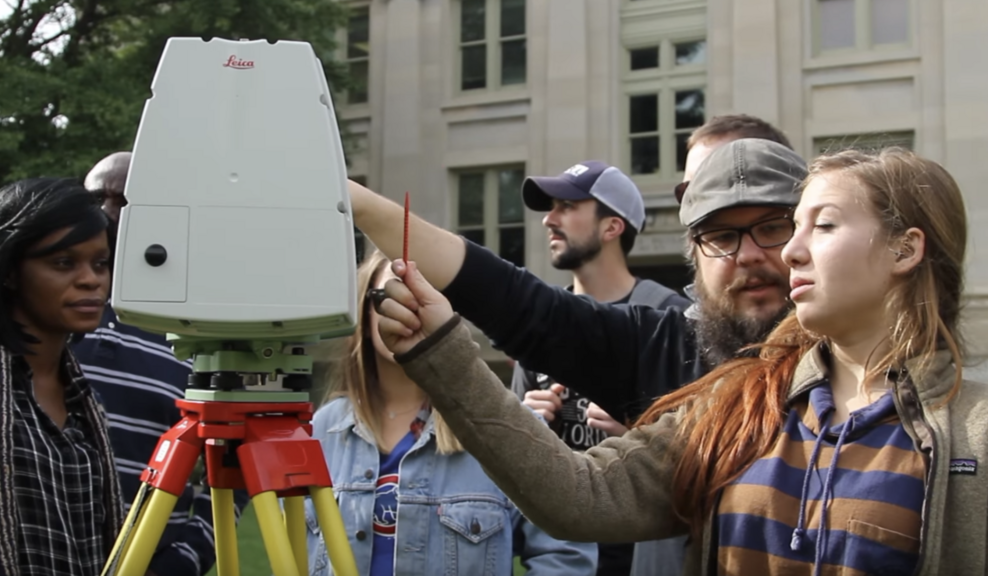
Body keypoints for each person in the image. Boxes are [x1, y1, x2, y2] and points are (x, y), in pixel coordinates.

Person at [377, 147, 986, 575]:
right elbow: (577, 494)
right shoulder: (740, 400)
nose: (786, 253)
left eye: (812, 226)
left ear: (906, 249)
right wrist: (442, 344)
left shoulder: (973, 432)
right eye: (720, 237)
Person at [347, 135, 805, 428]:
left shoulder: (866, 368)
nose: (747, 254)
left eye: (772, 228)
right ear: (696, 253)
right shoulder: (663, 343)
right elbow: (516, 304)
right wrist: (359, 204)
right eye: (721, 237)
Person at [304, 251, 598, 576]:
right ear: (364, 308)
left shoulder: (506, 429)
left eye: (424, 293)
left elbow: (567, 555)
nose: (406, 307)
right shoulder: (318, 431)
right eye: (391, 294)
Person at [71, 151, 246, 576]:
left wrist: (190, 552)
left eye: (125, 200)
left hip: (147, 557)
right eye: (95, 199)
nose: (107, 212)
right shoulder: (50, 305)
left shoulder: (202, 323)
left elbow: (237, 456)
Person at [512, 160, 689, 576]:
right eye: (550, 207)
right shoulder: (537, 328)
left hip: (646, 560)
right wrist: (522, 424)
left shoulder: (671, 321)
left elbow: (704, 461)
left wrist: (641, 438)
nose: (548, 220)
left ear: (612, 227)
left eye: (567, 207)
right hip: (555, 561)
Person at [0, 177, 125, 575]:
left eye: (100, 263)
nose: (91, 280)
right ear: (9, 271)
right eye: (63, 263)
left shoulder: (86, 402)